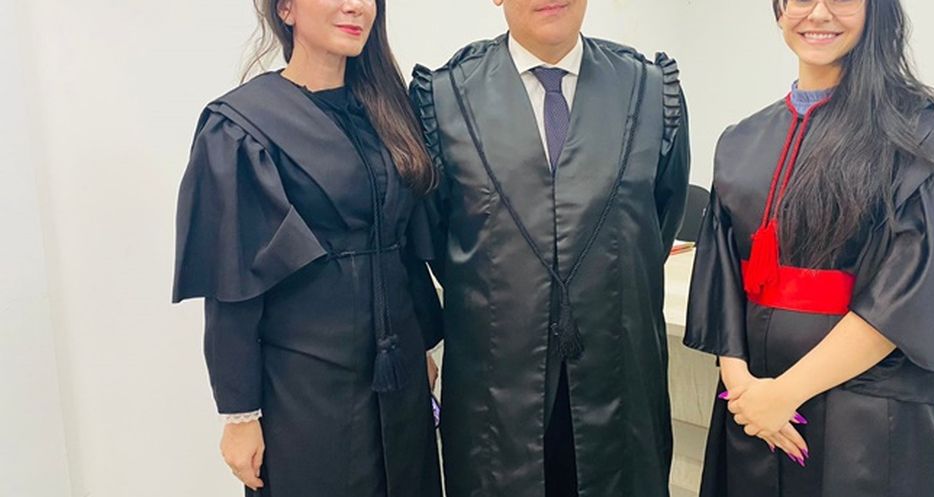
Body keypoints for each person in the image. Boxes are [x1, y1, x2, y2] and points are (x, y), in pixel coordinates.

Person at [683, 1, 934, 496]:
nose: (818, 14)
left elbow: (908, 297)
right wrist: (743, 390)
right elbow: (722, 273)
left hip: (869, 411)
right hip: (752, 406)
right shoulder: (741, 140)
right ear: (779, 11)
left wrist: (785, 394)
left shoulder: (922, 137)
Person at [409, 1, 691, 496]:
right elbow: (433, 239)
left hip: (618, 369)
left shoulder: (648, 90)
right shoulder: (445, 97)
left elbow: (657, 224)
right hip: (496, 381)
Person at [172, 0, 442, 495]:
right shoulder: (244, 126)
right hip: (306, 386)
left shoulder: (388, 108)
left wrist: (423, 342)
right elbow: (234, 281)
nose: (355, 6)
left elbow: (403, 243)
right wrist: (239, 414)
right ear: (286, 9)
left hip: (399, 375)